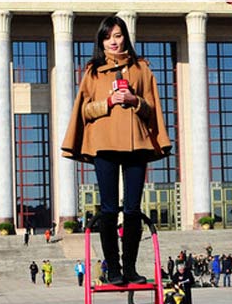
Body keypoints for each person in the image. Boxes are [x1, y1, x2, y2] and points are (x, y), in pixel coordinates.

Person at [62, 15, 172, 286]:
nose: (114, 41)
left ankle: (131, 267)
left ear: (126, 37)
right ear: (101, 41)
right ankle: (113, 268)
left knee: (133, 210)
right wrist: (108, 102)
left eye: (118, 35)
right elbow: (84, 111)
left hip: (136, 143)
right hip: (104, 144)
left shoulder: (142, 69)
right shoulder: (93, 71)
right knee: (109, 210)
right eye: (108, 36)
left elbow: (152, 109)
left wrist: (135, 100)